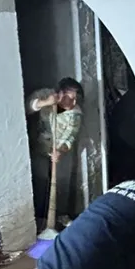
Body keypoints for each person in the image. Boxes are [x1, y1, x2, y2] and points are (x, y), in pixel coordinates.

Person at [26, 78, 84, 224]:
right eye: (70, 99)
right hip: (38, 147)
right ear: (61, 94)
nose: (74, 103)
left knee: (60, 181)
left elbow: (70, 136)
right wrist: (45, 103)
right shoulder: (45, 94)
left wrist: (60, 151)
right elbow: (27, 107)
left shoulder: (75, 113)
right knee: (40, 181)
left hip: (58, 150)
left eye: (76, 99)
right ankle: (39, 218)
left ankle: (60, 215)